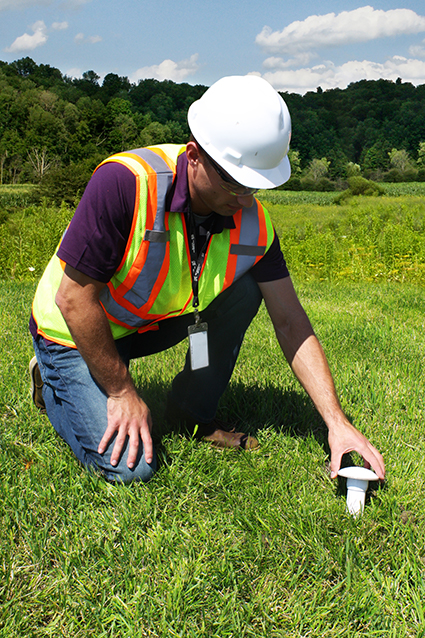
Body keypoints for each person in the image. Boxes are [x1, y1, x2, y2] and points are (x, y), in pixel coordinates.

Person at [29, 75, 385, 484]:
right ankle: (51, 375)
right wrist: (122, 392)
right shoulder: (126, 183)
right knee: (131, 470)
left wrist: (336, 422)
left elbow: (290, 321)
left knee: (247, 290)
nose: (244, 199)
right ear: (194, 155)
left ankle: (191, 416)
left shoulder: (255, 224)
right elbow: (73, 299)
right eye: (234, 182)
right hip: (74, 328)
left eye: (255, 185)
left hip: (151, 323)